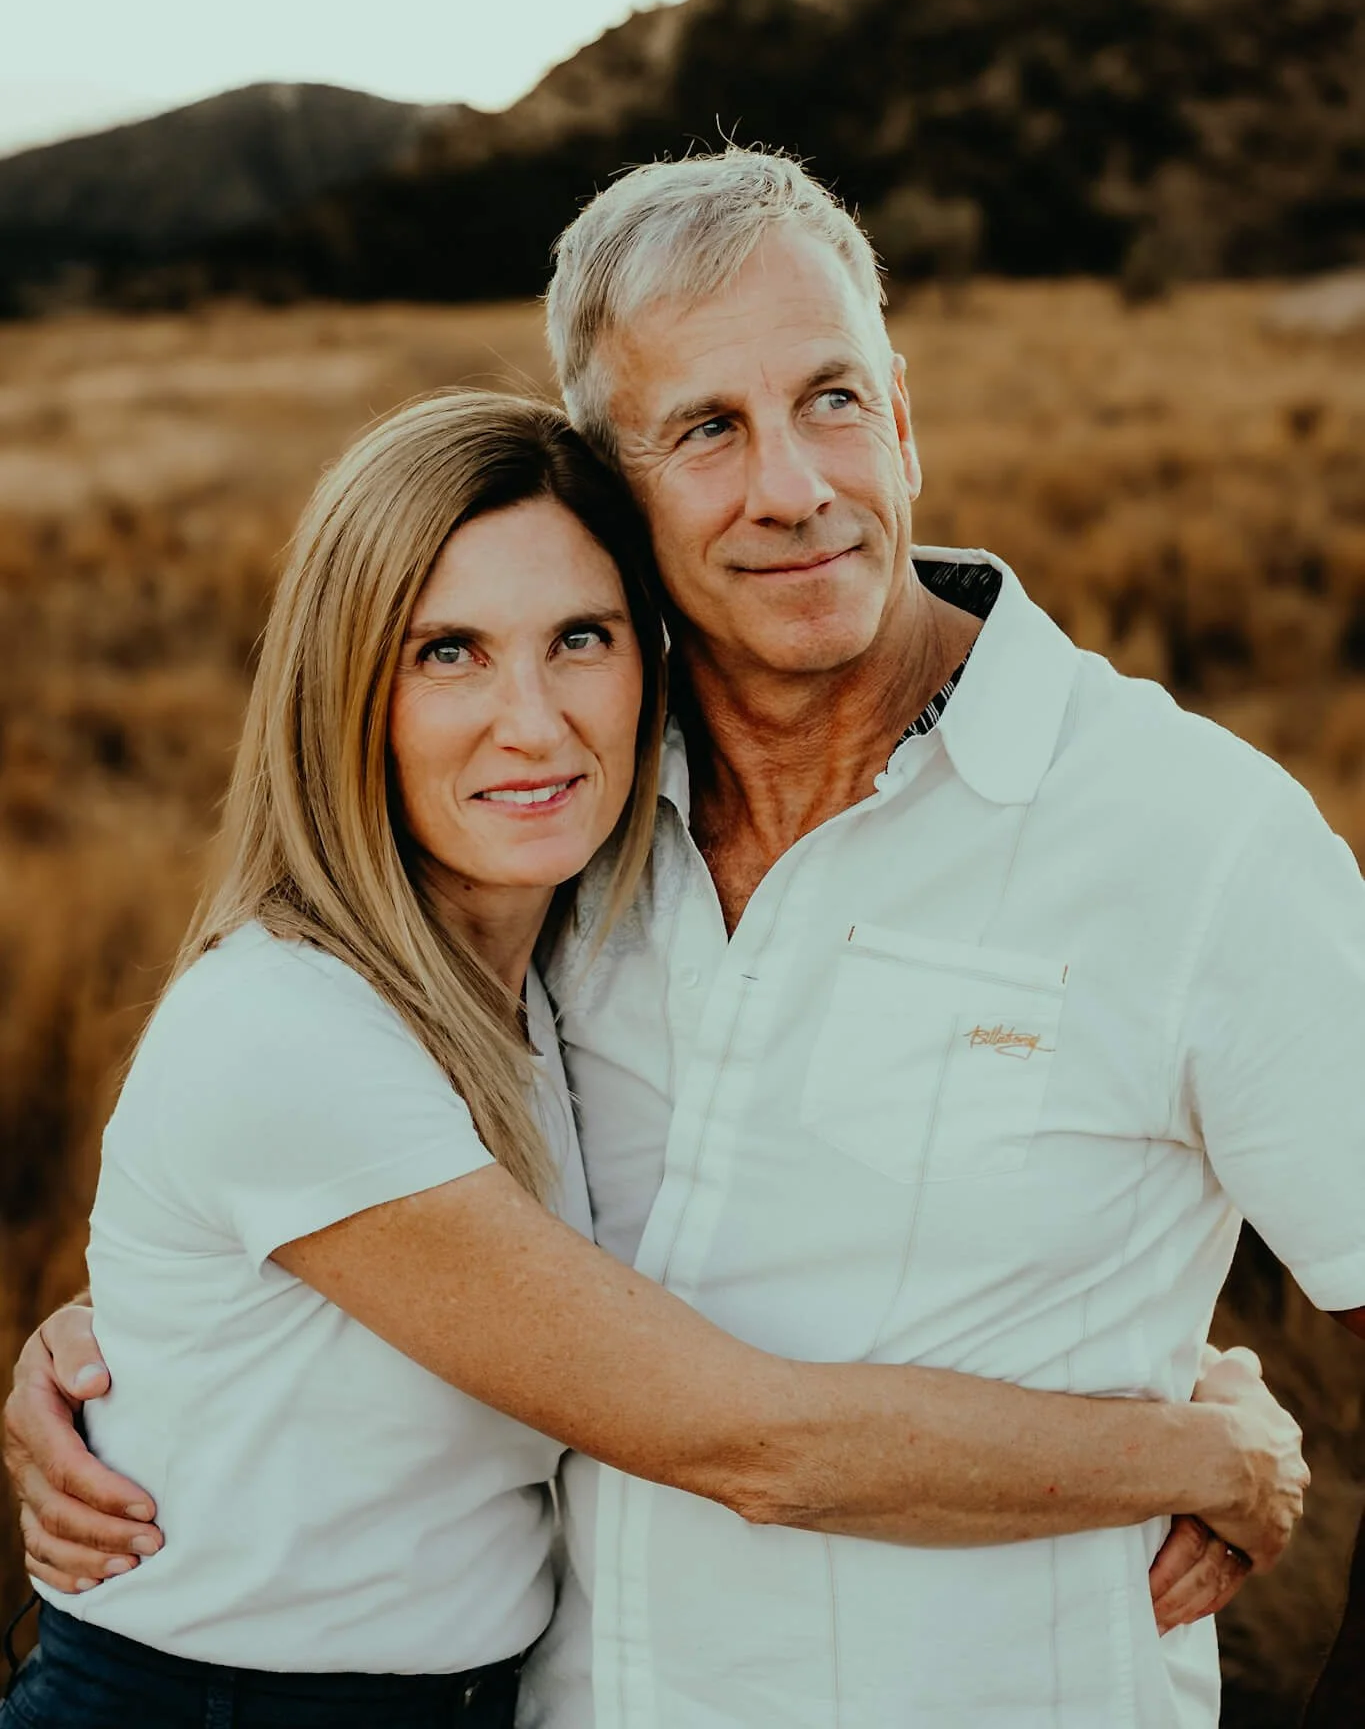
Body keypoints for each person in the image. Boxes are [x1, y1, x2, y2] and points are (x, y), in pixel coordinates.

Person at [7, 147, 1355, 1722]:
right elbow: (467, 1267)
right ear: (613, 490)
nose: (790, 485)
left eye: (832, 399)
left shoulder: (1196, 839)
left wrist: (1236, 1428)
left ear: (904, 414)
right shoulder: (562, 837)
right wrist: (151, 1345)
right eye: (705, 429)